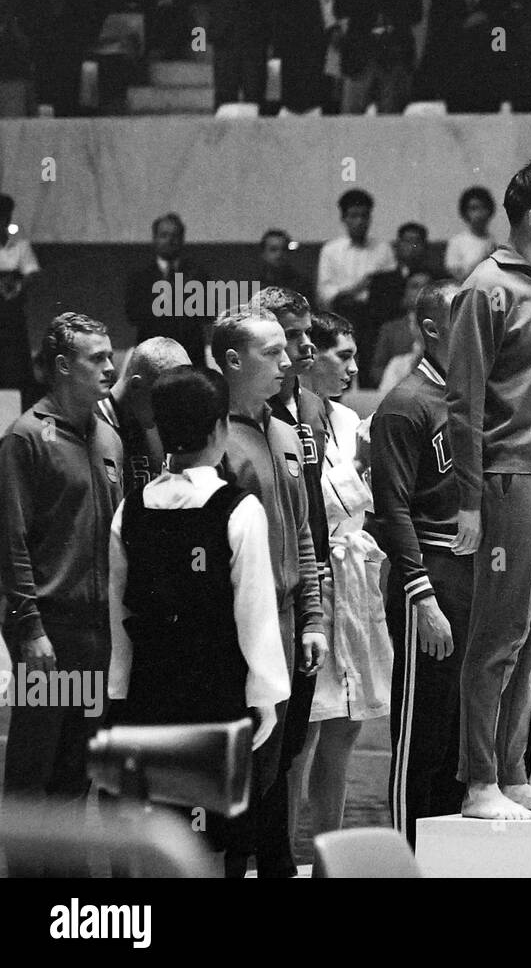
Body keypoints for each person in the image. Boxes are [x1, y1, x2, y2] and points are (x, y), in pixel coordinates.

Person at [446, 160, 531, 821]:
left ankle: (514, 770)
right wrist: (470, 501)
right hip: (509, 480)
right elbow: (463, 401)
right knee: (498, 634)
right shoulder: (486, 289)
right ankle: (478, 781)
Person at [107, 366, 291, 855]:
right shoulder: (239, 509)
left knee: (160, 835)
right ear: (220, 429)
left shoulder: (130, 508)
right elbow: (255, 614)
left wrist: (119, 691)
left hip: (148, 691)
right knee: (217, 842)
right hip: (218, 693)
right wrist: (265, 696)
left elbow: (118, 612)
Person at [0, 313, 122, 872]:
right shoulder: (26, 438)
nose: (110, 366)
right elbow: (11, 542)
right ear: (60, 367)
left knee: (77, 771)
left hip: (97, 632)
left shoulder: (107, 436)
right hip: (50, 631)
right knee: (34, 774)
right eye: (97, 358)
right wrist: (29, 630)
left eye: (110, 355)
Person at [212, 306, 328, 878]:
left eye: (289, 349)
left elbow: (303, 531)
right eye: (273, 352)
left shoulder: (285, 432)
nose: (289, 361)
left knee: (279, 760)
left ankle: (276, 867)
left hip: (289, 624)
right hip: (239, 628)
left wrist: (312, 619)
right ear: (233, 361)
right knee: (242, 770)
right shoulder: (212, 442)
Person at [369, 280, 470, 843]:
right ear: (431, 329)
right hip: (428, 576)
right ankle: (407, 854)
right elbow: (392, 512)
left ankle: (449, 856)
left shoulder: (473, 396)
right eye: (465, 320)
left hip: (471, 570)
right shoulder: (405, 405)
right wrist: (422, 596)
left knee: (460, 732)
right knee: (421, 733)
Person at [290, 312, 390, 841]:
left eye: (354, 355)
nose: (353, 367)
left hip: (355, 583)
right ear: (310, 358)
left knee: (345, 728)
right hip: (313, 581)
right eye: (342, 356)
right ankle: (281, 857)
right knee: (301, 736)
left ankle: (328, 855)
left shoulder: (352, 423)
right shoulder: (285, 423)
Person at [316, 189, 397, 384]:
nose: (359, 221)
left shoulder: (383, 249)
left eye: (364, 215)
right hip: (343, 314)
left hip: (373, 317)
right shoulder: (331, 250)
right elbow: (324, 292)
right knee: (340, 365)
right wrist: (356, 288)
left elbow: (390, 287)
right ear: (344, 218)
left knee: (370, 367)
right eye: (353, 216)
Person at [96, 336, 190, 494]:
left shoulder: (155, 426)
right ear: (136, 385)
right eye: (164, 399)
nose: (169, 411)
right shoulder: (89, 426)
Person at [123, 212, 212, 367]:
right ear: (155, 238)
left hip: (190, 356)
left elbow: (208, 313)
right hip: (152, 356)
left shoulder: (197, 274)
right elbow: (133, 315)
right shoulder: (140, 276)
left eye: (175, 235)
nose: (170, 240)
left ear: (182, 239)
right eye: (164, 235)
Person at [0, 192, 39, 395]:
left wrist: (16, 285)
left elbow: (30, 273)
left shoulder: (19, 245)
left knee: (15, 367)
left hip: (11, 315)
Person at [445, 186, 497, 283]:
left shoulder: (492, 241)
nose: (479, 213)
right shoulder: (456, 242)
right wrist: (483, 260)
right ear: (465, 213)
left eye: (483, 207)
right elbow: (458, 278)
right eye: (474, 208)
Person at [256, 229, 313, 298]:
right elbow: (243, 306)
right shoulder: (249, 283)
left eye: (284, 249)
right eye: (273, 249)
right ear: (263, 253)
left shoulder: (302, 284)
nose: (279, 254)